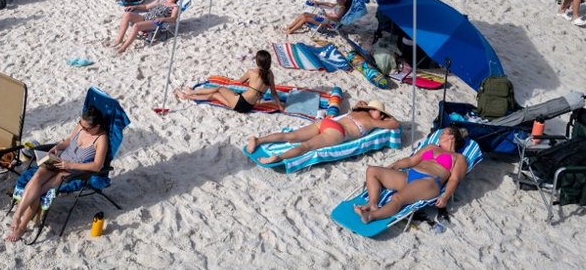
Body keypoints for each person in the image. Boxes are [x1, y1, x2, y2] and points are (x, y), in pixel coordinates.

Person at [7, 105, 110, 242]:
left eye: (86, 128)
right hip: (59, 160)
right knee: (37, 177)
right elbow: (68, 141)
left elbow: (97, 166)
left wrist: (71, 165)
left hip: (73, 169)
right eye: (81, 125)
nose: (82, 129)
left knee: (41, 189)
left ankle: (22, 226)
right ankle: (17, 216)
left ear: (96, 127)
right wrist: (57, 147)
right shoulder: (81, 126)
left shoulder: (101, 139)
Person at [355, 126, 469, 224]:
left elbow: (454, 180)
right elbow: (411, 161)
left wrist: (445, 196)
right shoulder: (431, 147)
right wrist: (393, 166)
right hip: (410, 175)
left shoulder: (459, 158)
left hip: (429, 182)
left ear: (451, 137)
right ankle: (372, 204)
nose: (439, 136)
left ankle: (371, 216)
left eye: (443, 133)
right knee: (372, 171)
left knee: (397, 198)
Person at [247, 100, 399, 163]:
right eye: (379, 112)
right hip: (338, 131)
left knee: (291, 136)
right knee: (306, 146)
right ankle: (278, 158)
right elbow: (394, 124)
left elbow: (359, 104)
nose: (380, 115)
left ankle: (258, 140)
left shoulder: (358, 110)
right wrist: (384, 119)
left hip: (327, 122)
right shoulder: (372, 120)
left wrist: (366, 106)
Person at [175, 50, 282, 113]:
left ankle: (191, 93)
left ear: (257, 61)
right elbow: (274, 93)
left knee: (220, 89)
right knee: (215, 96)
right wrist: (280, 106)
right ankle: (187, 97)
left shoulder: (252, 72)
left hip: (240, 101)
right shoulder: (270, 74)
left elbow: (240, 81)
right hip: (247, 108)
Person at [109, 0, 182, 53]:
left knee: (136, 26)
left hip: (155, 22)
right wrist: (134, 6)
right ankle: (119, 39)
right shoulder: (160, 0)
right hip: (146, 17)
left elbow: (173, 19)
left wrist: (163, 18)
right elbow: (146, 7)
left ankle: (124, 47)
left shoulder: (175, 7)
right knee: (127, 14)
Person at [283, 0, 352, 34]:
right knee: (304, 14)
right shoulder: (338, 4)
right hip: (324, 18)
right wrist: (318, 2)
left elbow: (337, 19)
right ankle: (289, 27)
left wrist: (326, 15)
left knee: (305, 18)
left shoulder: (342, 9)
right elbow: (329, 4)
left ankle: (290, 31)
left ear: (344, 0)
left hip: (328, 23)